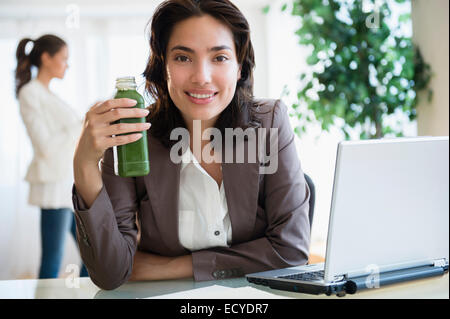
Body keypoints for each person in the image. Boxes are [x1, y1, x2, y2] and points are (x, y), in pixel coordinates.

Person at [72, 0, 310, 291]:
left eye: (219, 57)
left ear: (239, 66)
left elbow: (291, 254)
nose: (201, 77)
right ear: (163, 66)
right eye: (183, 58)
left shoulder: (270, 122)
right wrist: (84, 164)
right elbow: (112, 273)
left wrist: (178, 266)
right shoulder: (133, 135)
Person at [15, 34, 89, 279]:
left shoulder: (49, 95)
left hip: (66, 187)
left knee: (92, 255)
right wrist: (82, 123)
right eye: (64, 58)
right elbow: (44, 146)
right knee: (53, 259)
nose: (67, 65)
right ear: (46, 58)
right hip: (53, 188)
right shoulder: (30, 93)